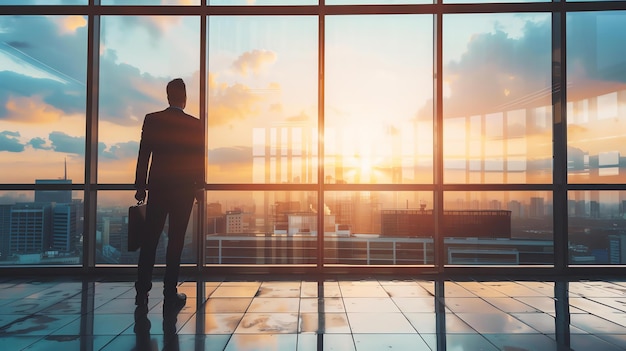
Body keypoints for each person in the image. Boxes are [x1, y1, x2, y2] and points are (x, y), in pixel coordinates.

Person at [134, 78, 203, 310]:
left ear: (167, 96)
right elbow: (198, 159)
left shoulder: (152, 120)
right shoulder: (194, 124)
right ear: (184, 98)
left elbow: (144, 155)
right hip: (183, 191)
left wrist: (140, 186)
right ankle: (169, 292)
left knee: (150, 240)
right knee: (176, 242)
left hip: (158, 188)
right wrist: (199, 186)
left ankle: (142, 291)